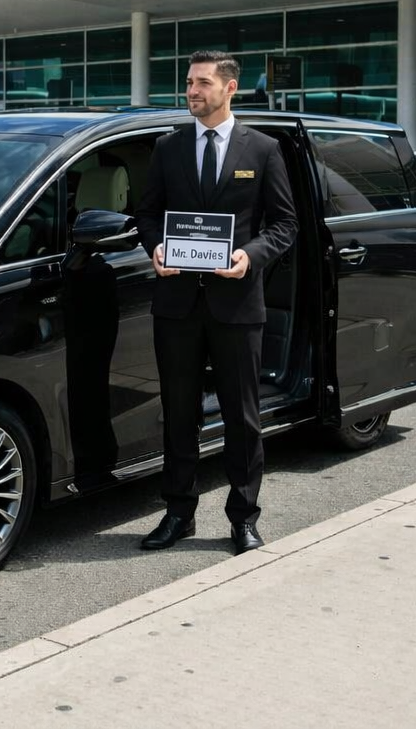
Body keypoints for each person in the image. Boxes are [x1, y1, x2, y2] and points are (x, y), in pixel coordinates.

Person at [134, 51, 297, 555]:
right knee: (179, 414)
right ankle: (178, 513)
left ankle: (243, 518)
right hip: (178, 304)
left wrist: (250, 255)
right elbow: (147, 214)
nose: (192, 91)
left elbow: (285, 225)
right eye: (188, 83)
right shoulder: (169, 147)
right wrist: (156, 246)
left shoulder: (264, 149)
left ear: (230, 88)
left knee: (241, 417)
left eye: (202, 83)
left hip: (237, 305)